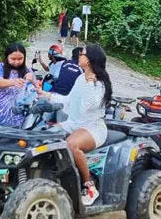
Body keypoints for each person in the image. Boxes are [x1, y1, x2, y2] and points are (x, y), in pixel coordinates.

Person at [37, 43, 112, 205]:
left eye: (82, 54)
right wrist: (46, 95)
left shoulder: (99, 84)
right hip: (73, 123)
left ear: (90, 59)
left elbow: (88, 105)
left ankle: (89, 186)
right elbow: (69, 101)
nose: (79, 56)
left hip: (92, 127)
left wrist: (90, 83)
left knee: (72, 144)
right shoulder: (80, 78)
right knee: (43, 134)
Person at [0, 43, 37, 127]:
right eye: (13, 59)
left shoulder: (28, 71)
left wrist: (33, 81)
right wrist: (13, 82)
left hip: (18, 118)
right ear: (7, 57)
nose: (17, 62)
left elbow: (37, 90)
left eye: (20, 59)